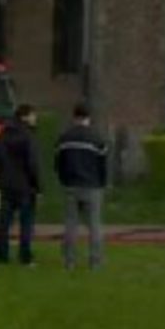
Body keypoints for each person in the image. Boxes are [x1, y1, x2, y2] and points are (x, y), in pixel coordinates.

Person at [54, 102, 110, 271]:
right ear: (89, 117)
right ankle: (95, 261)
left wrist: (64, 180)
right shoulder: (97, 139)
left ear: (74, 117)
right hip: (92, 186)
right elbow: (103, 165)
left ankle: (69, 261)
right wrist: (102, 183)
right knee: (94, 225)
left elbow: (58, 164)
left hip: (71, 185)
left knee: (71, 225)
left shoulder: (64, 139)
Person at [0, 104, 41, 266]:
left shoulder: (3, 134)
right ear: (25, 116)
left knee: (4, 221)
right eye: (33, 115)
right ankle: (25, 256)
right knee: (26, 222)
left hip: (6, 183)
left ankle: (2, 253)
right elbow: (31, 163)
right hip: (24, 185)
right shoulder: (28, 136)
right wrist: (37, 185)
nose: (35, 119)